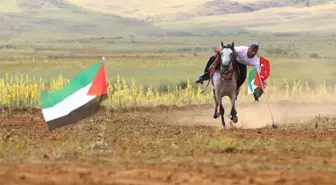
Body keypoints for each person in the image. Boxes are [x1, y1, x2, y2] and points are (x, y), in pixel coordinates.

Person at [194, 43, 267, 101]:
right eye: (252, 50)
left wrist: (262, 81)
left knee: (243, 76)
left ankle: (235, 89)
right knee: (213, 58)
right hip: (234, 60)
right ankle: (204, 75)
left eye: (255, 51)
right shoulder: (241, 49)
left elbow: (259, 72)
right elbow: (229, 50)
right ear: (248, 49)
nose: (253, 53)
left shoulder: (255, 61)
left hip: (242, 65)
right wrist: (221, 51)